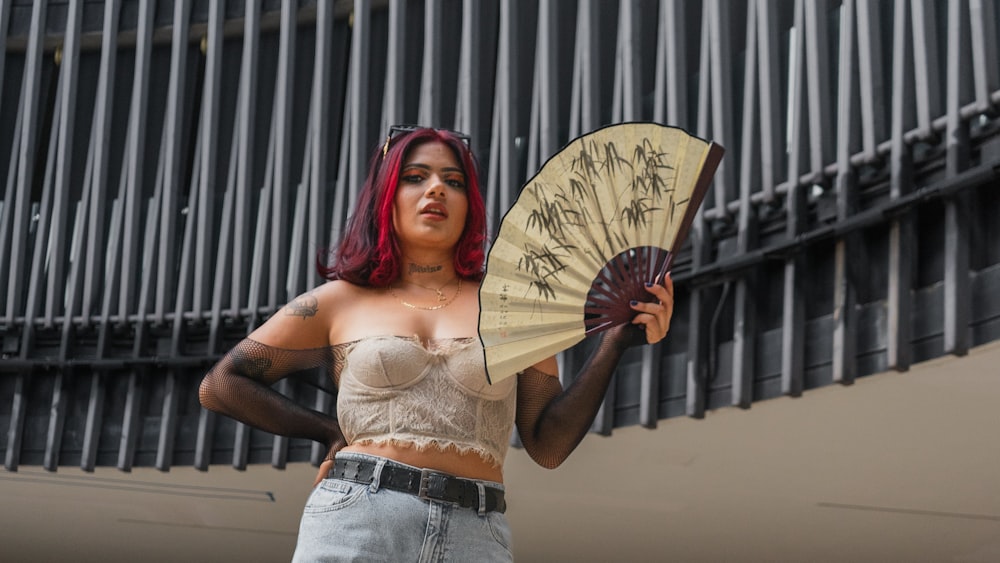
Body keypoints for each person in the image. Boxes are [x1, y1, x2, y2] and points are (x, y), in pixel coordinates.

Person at [198, 126, 674, 561]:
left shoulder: (514, 308)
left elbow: (547, 444)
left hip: (475, 532)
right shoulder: (338, 301)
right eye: (415, 176)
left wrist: (613, 343)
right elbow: (221, 385)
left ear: (470, 204)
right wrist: (327, 431)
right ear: (387, 196)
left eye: (454, 180)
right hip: (357, 519)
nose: (436, 189)